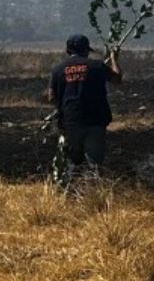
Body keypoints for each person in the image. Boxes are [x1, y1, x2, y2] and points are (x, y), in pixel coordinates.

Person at [47, 34, 123, 182]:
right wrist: (114, 58)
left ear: (68, 50)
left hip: (70, 123)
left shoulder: (58, 70)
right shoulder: (97, 66)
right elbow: (117, 78)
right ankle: (92, 195)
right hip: (95, 122)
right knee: (94, 165)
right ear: (86, 50)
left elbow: (51, 98)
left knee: (72, 164)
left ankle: (70, 195)